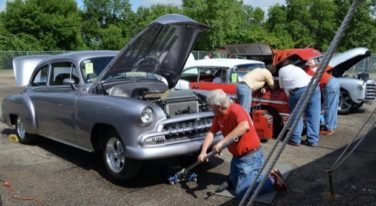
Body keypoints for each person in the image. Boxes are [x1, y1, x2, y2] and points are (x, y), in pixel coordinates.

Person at [198, 89, 287, 199]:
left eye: (210, 106)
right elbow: (211, 132)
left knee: (242, 192)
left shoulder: (236, 110)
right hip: (237, 157)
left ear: (217, 105)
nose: (209, 108)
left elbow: (244, 127)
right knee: (234, 183)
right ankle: (257, 176)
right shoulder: (219, 115)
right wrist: (203, 151)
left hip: (250, 157)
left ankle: (274, 180)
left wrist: (221, 143)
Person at [278, 60, 321, 146]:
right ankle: (313, 140)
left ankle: (295, 139)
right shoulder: (297, 68)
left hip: (299, 90)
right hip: (314, 87)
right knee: (314, 115)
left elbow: (281, 87)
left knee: (296, 115)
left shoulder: (281, 70)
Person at [305, 59, 340, 135]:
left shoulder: (308, 71)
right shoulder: (316, 67)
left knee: (328, 107)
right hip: (334, 81)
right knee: (333, 107)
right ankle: (332, 126)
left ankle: (329, 129)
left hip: (329, 85)